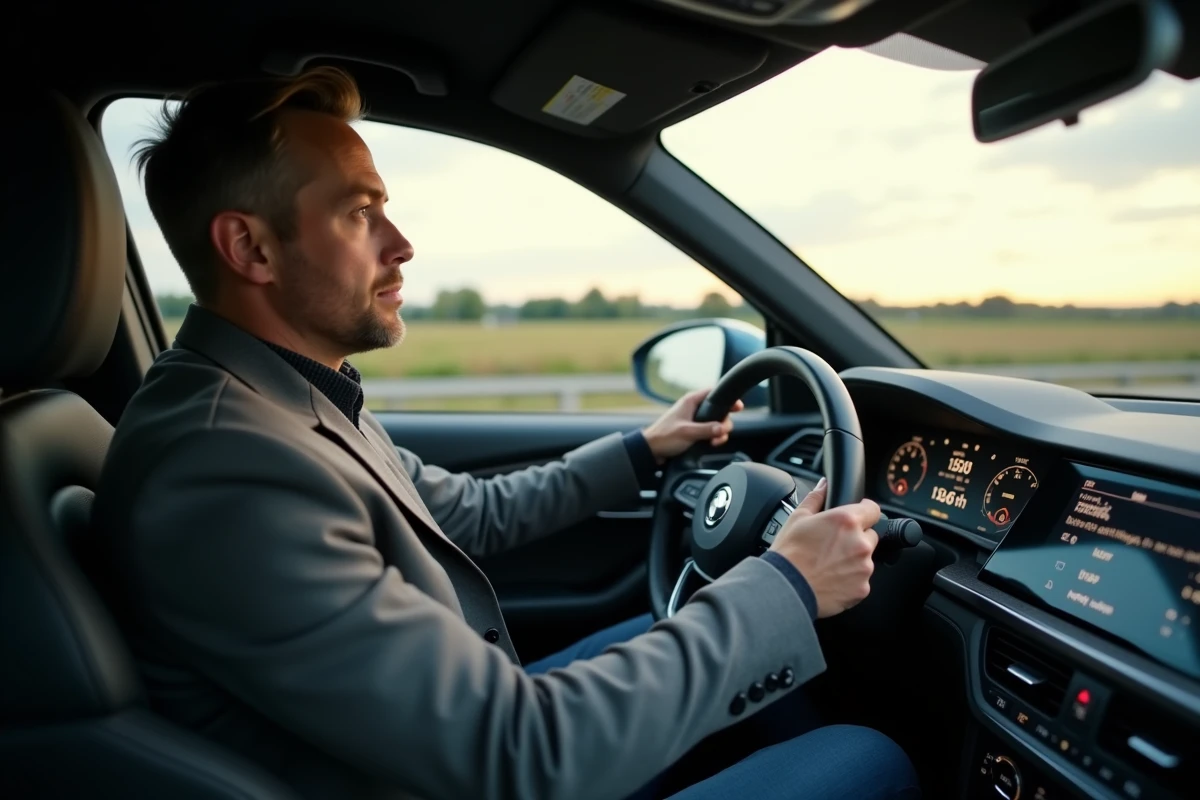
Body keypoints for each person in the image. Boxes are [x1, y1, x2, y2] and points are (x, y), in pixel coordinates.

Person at [91, 67, 920, 800]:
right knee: (866, 755)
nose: (402, 245)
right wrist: (787, 585)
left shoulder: (277, 398)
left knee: (701, 642)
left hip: (423, 754)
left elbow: (470, 514)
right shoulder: (225, 470)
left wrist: (644, 449)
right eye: (359, 212)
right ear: (250, 248)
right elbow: (519, 754)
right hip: (463, 768)